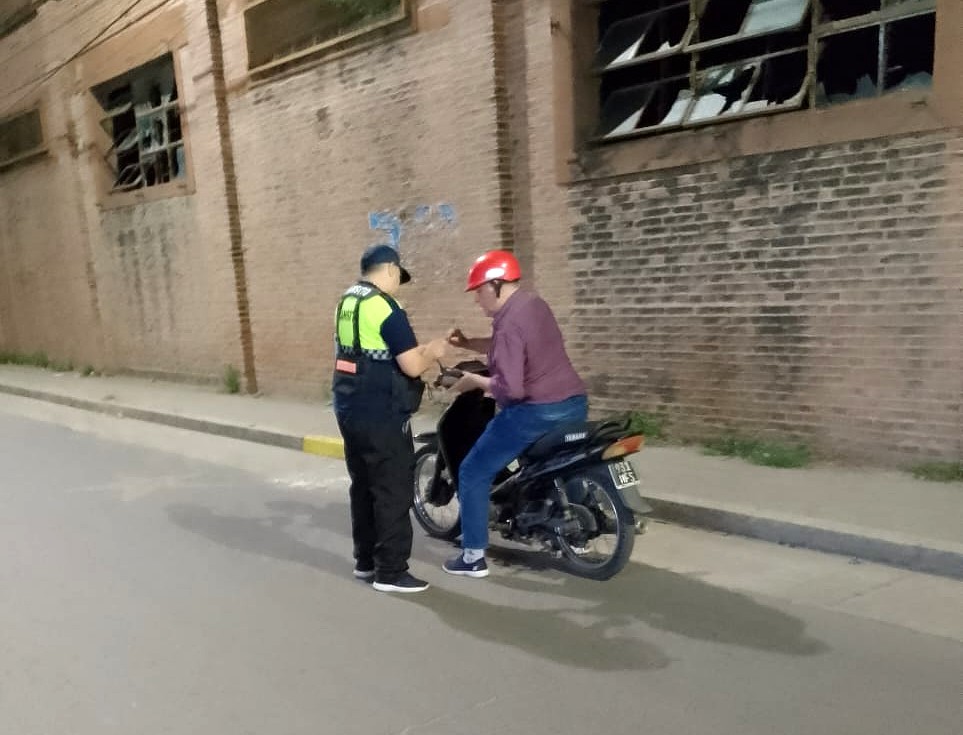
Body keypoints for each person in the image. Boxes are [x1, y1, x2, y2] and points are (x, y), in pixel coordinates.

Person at [443, 250, 588, 578]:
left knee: (473, 470)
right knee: (561, 464)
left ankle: (473, 556)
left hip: (535, 412)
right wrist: (468, 343)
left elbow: (511, 390)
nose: (476, 299)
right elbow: (508, 346)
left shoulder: (508, 322)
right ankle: (575, 537)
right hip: (574, 403)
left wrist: (473, 381)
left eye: (478, 291)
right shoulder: (534, 305)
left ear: (494, 285)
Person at [332, 244, 447, 593]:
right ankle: (391, 572)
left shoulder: (346, 302)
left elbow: (367, 352)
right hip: (382, 411)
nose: (398, 283)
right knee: (392, 489)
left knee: (363, 485)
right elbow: (410, 365)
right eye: (399, 276)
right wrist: (433, 351)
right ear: (391, 270)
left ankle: (365, 562)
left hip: (349, 407)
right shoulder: (386, 307)